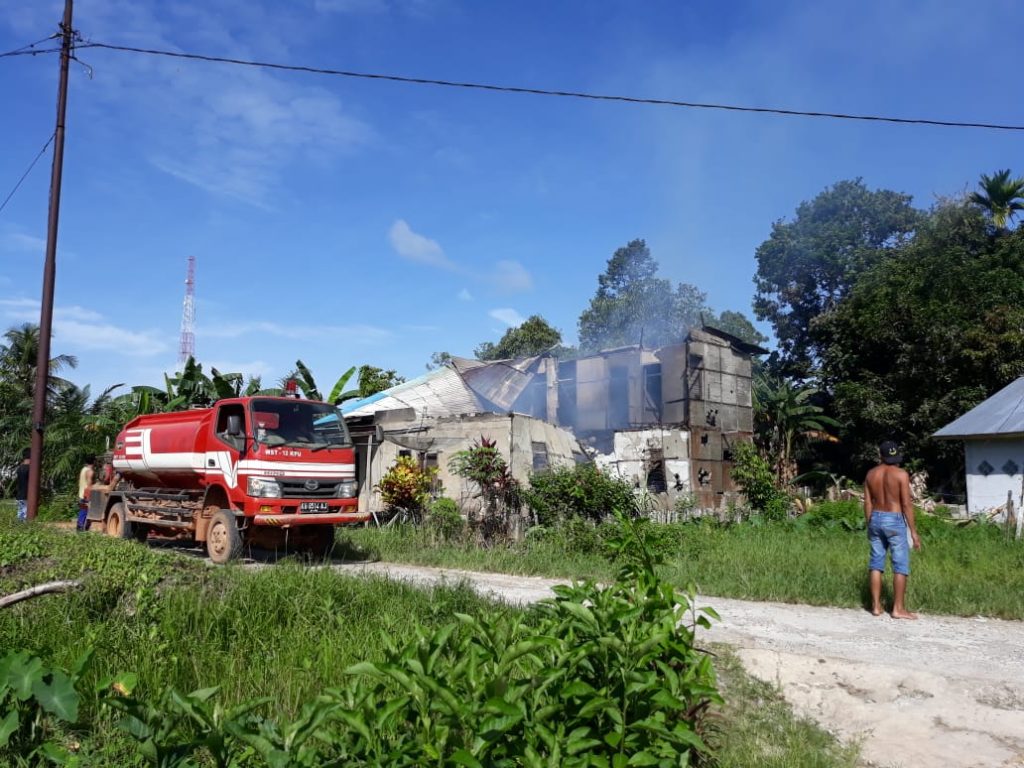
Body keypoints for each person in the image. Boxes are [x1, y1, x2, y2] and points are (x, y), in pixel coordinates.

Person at [863, 441, 922, 619]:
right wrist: (913, 531)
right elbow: (906, 504)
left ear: (880, 456)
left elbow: (867, 502)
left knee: (876, 563)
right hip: (894, 519)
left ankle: (875, 606)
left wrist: (869, 524)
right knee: (900, 564)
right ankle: (898, 608)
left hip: (875, 518)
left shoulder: (871, 474)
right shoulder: (901, 474)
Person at [77, 455, 95, 532]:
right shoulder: (90, 472)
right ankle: (83, 530)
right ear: (94, 462)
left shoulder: (83, 469)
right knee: (87, 513)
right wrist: (89, 499)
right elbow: (89, 486)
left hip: (81, 494)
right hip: (86, 496)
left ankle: (79, 528)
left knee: (82, 512)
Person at [15, 448, 30, 521]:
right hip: (26, 496)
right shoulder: (30, 468)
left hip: (19, 495)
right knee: (25, 518)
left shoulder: (19, 468)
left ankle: (19, 531)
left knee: (20, 517)